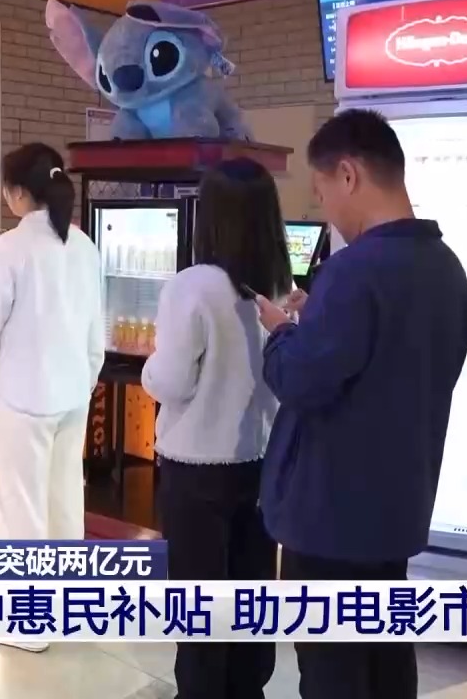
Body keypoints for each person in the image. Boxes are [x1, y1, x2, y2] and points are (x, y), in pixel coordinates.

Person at [255, 109, 467, 699]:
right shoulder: (446, 268)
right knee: (385, 656)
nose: (326, 208)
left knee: (333, 669)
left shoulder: (354, 271)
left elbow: (300, 380)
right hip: (396, 508)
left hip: (331, 516)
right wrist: (319, 319)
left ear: (348, 175)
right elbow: (391, 365)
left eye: (322, 190)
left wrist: (281, 332)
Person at [141, 157, 290, 698]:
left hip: (196, 471)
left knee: (200, 609)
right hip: (259, 463)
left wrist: (147, 369)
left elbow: (171, 381)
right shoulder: (278, 284)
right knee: (250, 600)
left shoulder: (193, 285)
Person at [0, 143, 102, 652]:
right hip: (72, 394)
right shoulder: (83, 246)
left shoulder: (9, 249)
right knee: (65, 502)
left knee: (21, 510)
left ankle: (28, 624)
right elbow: (95, 328)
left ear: (17, 192)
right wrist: (85, 380)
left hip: (22, 399)